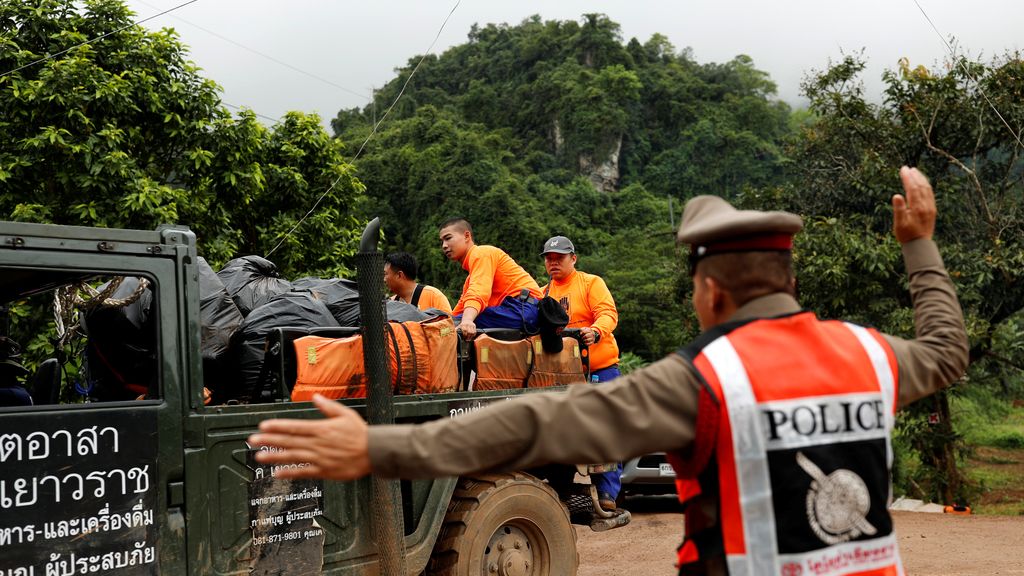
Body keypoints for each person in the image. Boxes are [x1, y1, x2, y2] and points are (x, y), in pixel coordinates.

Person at [250, 167, 968, 575]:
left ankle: (606, 499)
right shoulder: (872, 355)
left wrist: (379, 447)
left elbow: (538, 423)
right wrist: (920, 244)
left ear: (709, 291)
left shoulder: (704, 380)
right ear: (788, 276)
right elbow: (946, 350)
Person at [540, 235, 623, 510]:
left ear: (573, 258)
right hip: (560, 376)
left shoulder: (590, 283)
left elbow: (608, 313)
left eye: (559, 258)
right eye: (549, 258)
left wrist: (595, 331)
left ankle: (607, 492)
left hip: (599, 369)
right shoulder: (542, 294)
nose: (553, 262)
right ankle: (561, 490)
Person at [438, 217, 543, 340]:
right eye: (442, 241)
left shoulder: (481, 253)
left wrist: (467, 320)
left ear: (467, 236)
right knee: (449, 325)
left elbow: (479, 291)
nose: (444, 246)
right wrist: (446, 322)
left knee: (452, 326)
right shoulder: (471, 278)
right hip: (518, 311)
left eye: (448, 238)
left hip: (524, 309)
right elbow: (458, 313)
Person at [383, 251, 452, 314]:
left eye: (385, 274)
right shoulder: (391, 303)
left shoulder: (433, 296)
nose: (384, 280)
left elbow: (448, 322)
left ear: (399, 275)